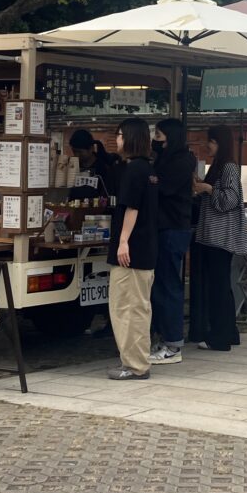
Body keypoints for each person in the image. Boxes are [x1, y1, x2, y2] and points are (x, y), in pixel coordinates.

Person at [107, 117, 158, 380]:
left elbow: (132, 207)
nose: (116, 140)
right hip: (145, 248)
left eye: (119, 135)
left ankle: (135, 365)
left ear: (129, 138)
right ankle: (134, 362)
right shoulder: (148, 169)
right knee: (137, 307)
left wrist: (123, 241)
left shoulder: (134, 170)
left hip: (132, 251)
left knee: (128, 308)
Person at [189, 125, 247, 351]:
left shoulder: (229, 167)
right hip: (214, 235)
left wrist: (207, 188)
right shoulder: (220, 166)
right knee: (222, 286)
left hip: (221, 237)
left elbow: (229, 200)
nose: (208, 145)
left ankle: (220, 337)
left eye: (211, 141)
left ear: (220, 143)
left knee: (218, 287)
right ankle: (229, 332)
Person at [148, 119, 197, 364]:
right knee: (160, 286)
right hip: (163, 228)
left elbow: (163, 187)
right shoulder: (164, 158)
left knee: (169, 285)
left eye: (159, 135)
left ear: (171, 136)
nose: (155, 140)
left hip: (173, 228)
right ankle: (164, 337)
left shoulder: (182, 160)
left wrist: (153, 180)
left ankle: (173, 343)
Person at [66, 128, 122, 200]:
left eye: (80, 152)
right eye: (74, 151)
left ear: (91, 149)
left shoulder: (103, 167)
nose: (76, 155)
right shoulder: (72, 167)